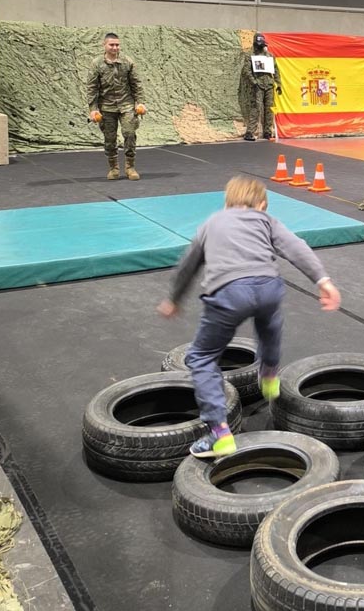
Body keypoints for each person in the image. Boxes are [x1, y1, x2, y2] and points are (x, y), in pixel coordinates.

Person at [157, 175, 342, 457]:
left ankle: (219, 433)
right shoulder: (265, 220)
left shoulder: (212, 222)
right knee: (269, 326)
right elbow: (296, 247)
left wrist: (174, 298)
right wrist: (323, 281)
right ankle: (269, 374)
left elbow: (188, 265)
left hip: (228, 294)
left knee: (202, 357)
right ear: (262, 203)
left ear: (228, 202)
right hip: (268, 287)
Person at [86, 32, 146, 181]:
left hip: (126, 105)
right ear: (104, 45)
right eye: (111, 45)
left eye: (117, 45)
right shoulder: (97, 64)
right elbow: (92, 88)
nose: (115, 47)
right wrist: (93, 109)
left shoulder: (128, 62)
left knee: (130, 133)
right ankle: (113, 168)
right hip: (106, 107)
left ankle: (130, 167)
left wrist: (140, 102)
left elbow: (136, 84)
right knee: (109, 138)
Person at [243, 33, 281, 141]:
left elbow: (276, 70)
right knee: (256, 109)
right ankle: (250, 132)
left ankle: (268, 132)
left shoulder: (269, 56)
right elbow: (247, 70)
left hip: (269, 85)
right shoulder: (250, 56)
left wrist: (279, 84)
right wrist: (253, 81)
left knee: (269, 109)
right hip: (257, 85)